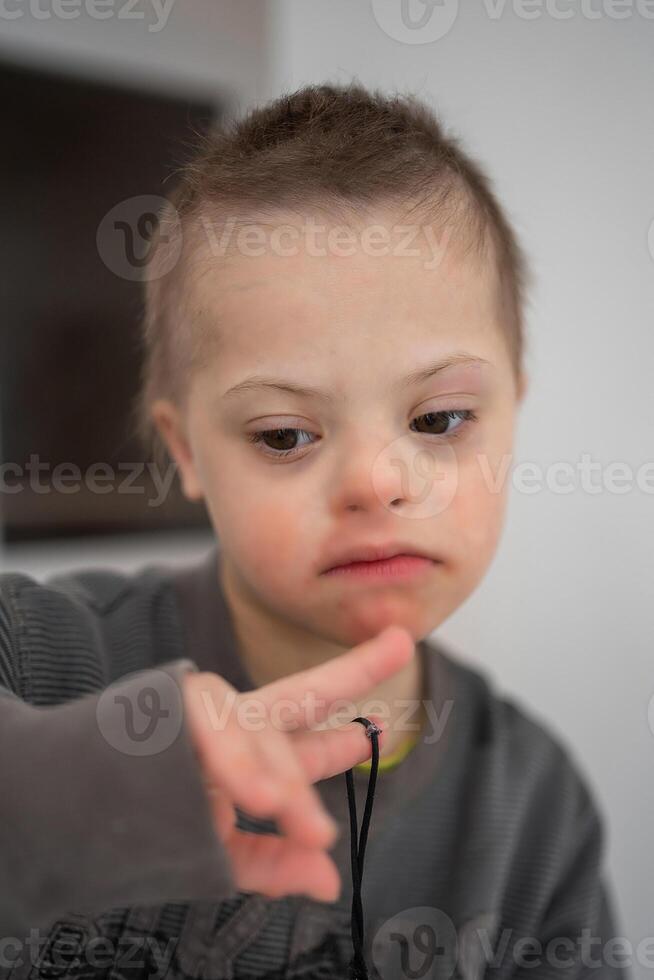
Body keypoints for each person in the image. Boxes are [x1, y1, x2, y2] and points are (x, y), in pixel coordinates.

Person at [0, 81, 631, 980]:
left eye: (441, 419)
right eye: (287, 435)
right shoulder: (39, 656)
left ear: (513, 413)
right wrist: (70, 799)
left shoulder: (534, 813)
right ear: (187, 452)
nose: (377, 482)